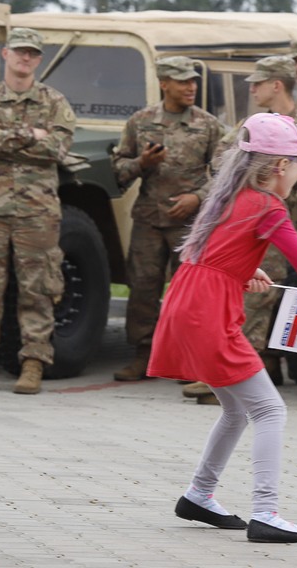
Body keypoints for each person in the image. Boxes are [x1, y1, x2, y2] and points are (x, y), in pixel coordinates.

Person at [147, 113, 297, 543]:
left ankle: (200, 495)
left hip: (189, 301)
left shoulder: (233, 195)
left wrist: (243, 270)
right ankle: (266, 512)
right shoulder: (268, 205)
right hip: (209, 313)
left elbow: (216, 255)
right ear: (280, 167)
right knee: (270, 410)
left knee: (238, 409)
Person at [182, 55, 297, 404]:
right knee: (250, 296)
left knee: (263, 297)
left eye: (258, 83)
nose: (253, 89)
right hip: (249, 221)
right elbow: (224, 157)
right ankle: (238, 370)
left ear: (278, 84)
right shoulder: (254, 124)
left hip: (278, 222)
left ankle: (246, 370)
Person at [0, 28, 76, 394]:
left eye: (32, 54)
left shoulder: (55, 101)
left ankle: (33, 364)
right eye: (19, 52)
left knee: (38, 289)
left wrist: (6, 135)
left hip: (38, 210)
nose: (25, 59)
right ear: (5, 54)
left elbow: (58, 149)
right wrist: (33, 135)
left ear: (39, 60)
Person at [111, 56, 223, 382]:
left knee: (189, 296)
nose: (191, 87)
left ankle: (188, 360)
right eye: (183, 81)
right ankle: (143, 356)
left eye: (193, 81)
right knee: (143, 291)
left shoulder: (208, 124)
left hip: (189, 225)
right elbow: (118, 171)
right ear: (164, 84)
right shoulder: (140, 121)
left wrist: (198, 198)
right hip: (148, 221)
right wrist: (142, 163)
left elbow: (223, 173)